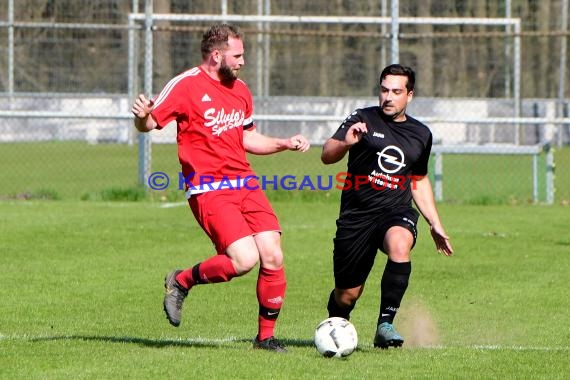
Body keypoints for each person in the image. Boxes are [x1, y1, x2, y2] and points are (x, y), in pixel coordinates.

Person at [131, 23, 310, 353]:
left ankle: (265, 338)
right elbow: (150, 123)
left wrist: (283, 143)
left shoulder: (240, 89)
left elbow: (246, 137)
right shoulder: (186, 86)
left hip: (246, 183)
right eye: (237, 55)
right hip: (209, 188)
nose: (242, 61)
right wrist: (142, 117)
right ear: (217, 55)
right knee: (244, 261)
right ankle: (181, 280)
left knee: (272, 254)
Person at [320, 64, 453, 349]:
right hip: (356, 216)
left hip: (395, 212)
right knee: (347, 295)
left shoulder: (421, 134)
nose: (388, 97)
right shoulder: (361, 118)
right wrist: (345, 143)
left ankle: (385, 323)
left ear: (410, 95)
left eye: (396, 91)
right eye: (384, 90)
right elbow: (326, 155)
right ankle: (336, 326)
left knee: (400, 243)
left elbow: (418, 179)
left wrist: (434, 222)